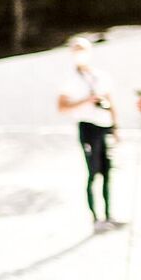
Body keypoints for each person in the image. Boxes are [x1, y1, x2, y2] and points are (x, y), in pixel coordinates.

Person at [57, 36, 119, 228]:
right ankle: (95, 217)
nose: (80, 53)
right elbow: (61, 107)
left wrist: (115, 126)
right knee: (92, 172)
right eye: (76, 50)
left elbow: (110, 101)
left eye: (82, 49)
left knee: (107, 171)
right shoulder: (70, 80)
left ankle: (109, 214)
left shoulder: (100, 76)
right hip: (87, 126)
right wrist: (86, 101)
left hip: (104, 125)